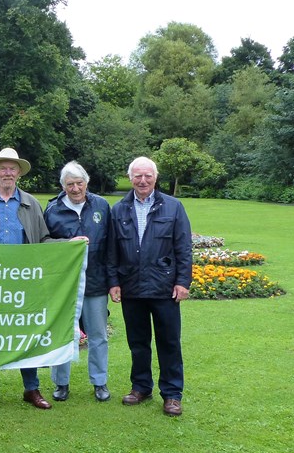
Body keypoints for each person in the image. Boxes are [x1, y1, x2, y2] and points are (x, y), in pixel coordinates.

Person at [0, 147, 55, 410]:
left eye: (12, 168)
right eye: (3, 168)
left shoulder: (31, 203)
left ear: (19, 173)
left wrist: (69, 245)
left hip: (24, 280)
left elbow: (44, 240)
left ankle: (32, 388)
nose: (7, 172)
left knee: (25, 331)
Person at [107, 156, 192, 417]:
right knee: (138, 342)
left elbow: (183, 248)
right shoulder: (119, 209)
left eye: (147, 176)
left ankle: (172, 394)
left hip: (164, 288)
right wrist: (114, 282)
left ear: (155, 177)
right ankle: (141, 387)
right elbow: (112, 251)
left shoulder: (173, 207)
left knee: (169, 342)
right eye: (137, 176)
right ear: (130, 177)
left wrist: (182, 281)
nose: (142, 181)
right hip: (131, 286)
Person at [44, 161, 112, 403]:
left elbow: (111, 246)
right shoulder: (52, 209)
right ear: (63, 186)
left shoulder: (101, 206)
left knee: (98, 335)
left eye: (79, 183)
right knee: (63, 334)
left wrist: (113, 281)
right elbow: (44, 244)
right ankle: (61, 383)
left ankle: (99, 382)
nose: (75, 188)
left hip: (95, 283)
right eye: (70, 184)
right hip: (65, 285)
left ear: (87, 183)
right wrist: (67, 244)